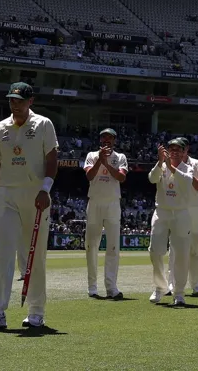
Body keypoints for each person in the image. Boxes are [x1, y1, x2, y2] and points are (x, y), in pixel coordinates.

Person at [0, 82, 58, 330]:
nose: (15, 104)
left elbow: (52, 160)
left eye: (20, 100)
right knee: (3, 252)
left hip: (36, 194)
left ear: (30, 101)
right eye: (12, 100)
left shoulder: (44, 124)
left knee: (33, 257)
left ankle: (36, 312)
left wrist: (45, 189)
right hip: (6, 195)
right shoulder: (0, 128)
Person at [147, 138, 194, 306]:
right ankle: (160, 288)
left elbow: (186, 182)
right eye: (171, 149)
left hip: (181, 214)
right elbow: (152, 179)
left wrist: (170, 165)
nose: (174, 152)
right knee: (155, 251)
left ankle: (179, 293)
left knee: (181, 254)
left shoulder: (188, 169)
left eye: (178, 149)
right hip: (161, 212)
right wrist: (160, 162)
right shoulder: (162, 166)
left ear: (183, 152)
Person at [83, 128, 128, 299]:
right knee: (91, 246)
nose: (107, 141)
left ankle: (111, 288)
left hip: (112, 204)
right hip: (94, 203)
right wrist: (99, 160)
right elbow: (89, 176)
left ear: (114, 140)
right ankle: (92, 287)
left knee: (113, 247)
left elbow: (121, 177)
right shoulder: (91, 155)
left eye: (110, 138)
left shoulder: (120, 157)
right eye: (104, 138)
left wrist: (107, 163)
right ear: (100, 140)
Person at [168, 137, 198, 296]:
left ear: (186, 149)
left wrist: (186, 175)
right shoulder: (168, 164)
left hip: (192, 209)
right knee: (174, 249)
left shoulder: (197, 164)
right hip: (176, 209)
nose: (178, 151)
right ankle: (171, 285)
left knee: (194, 249)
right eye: (175, 148)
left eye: (181, 148)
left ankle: (196, 285)